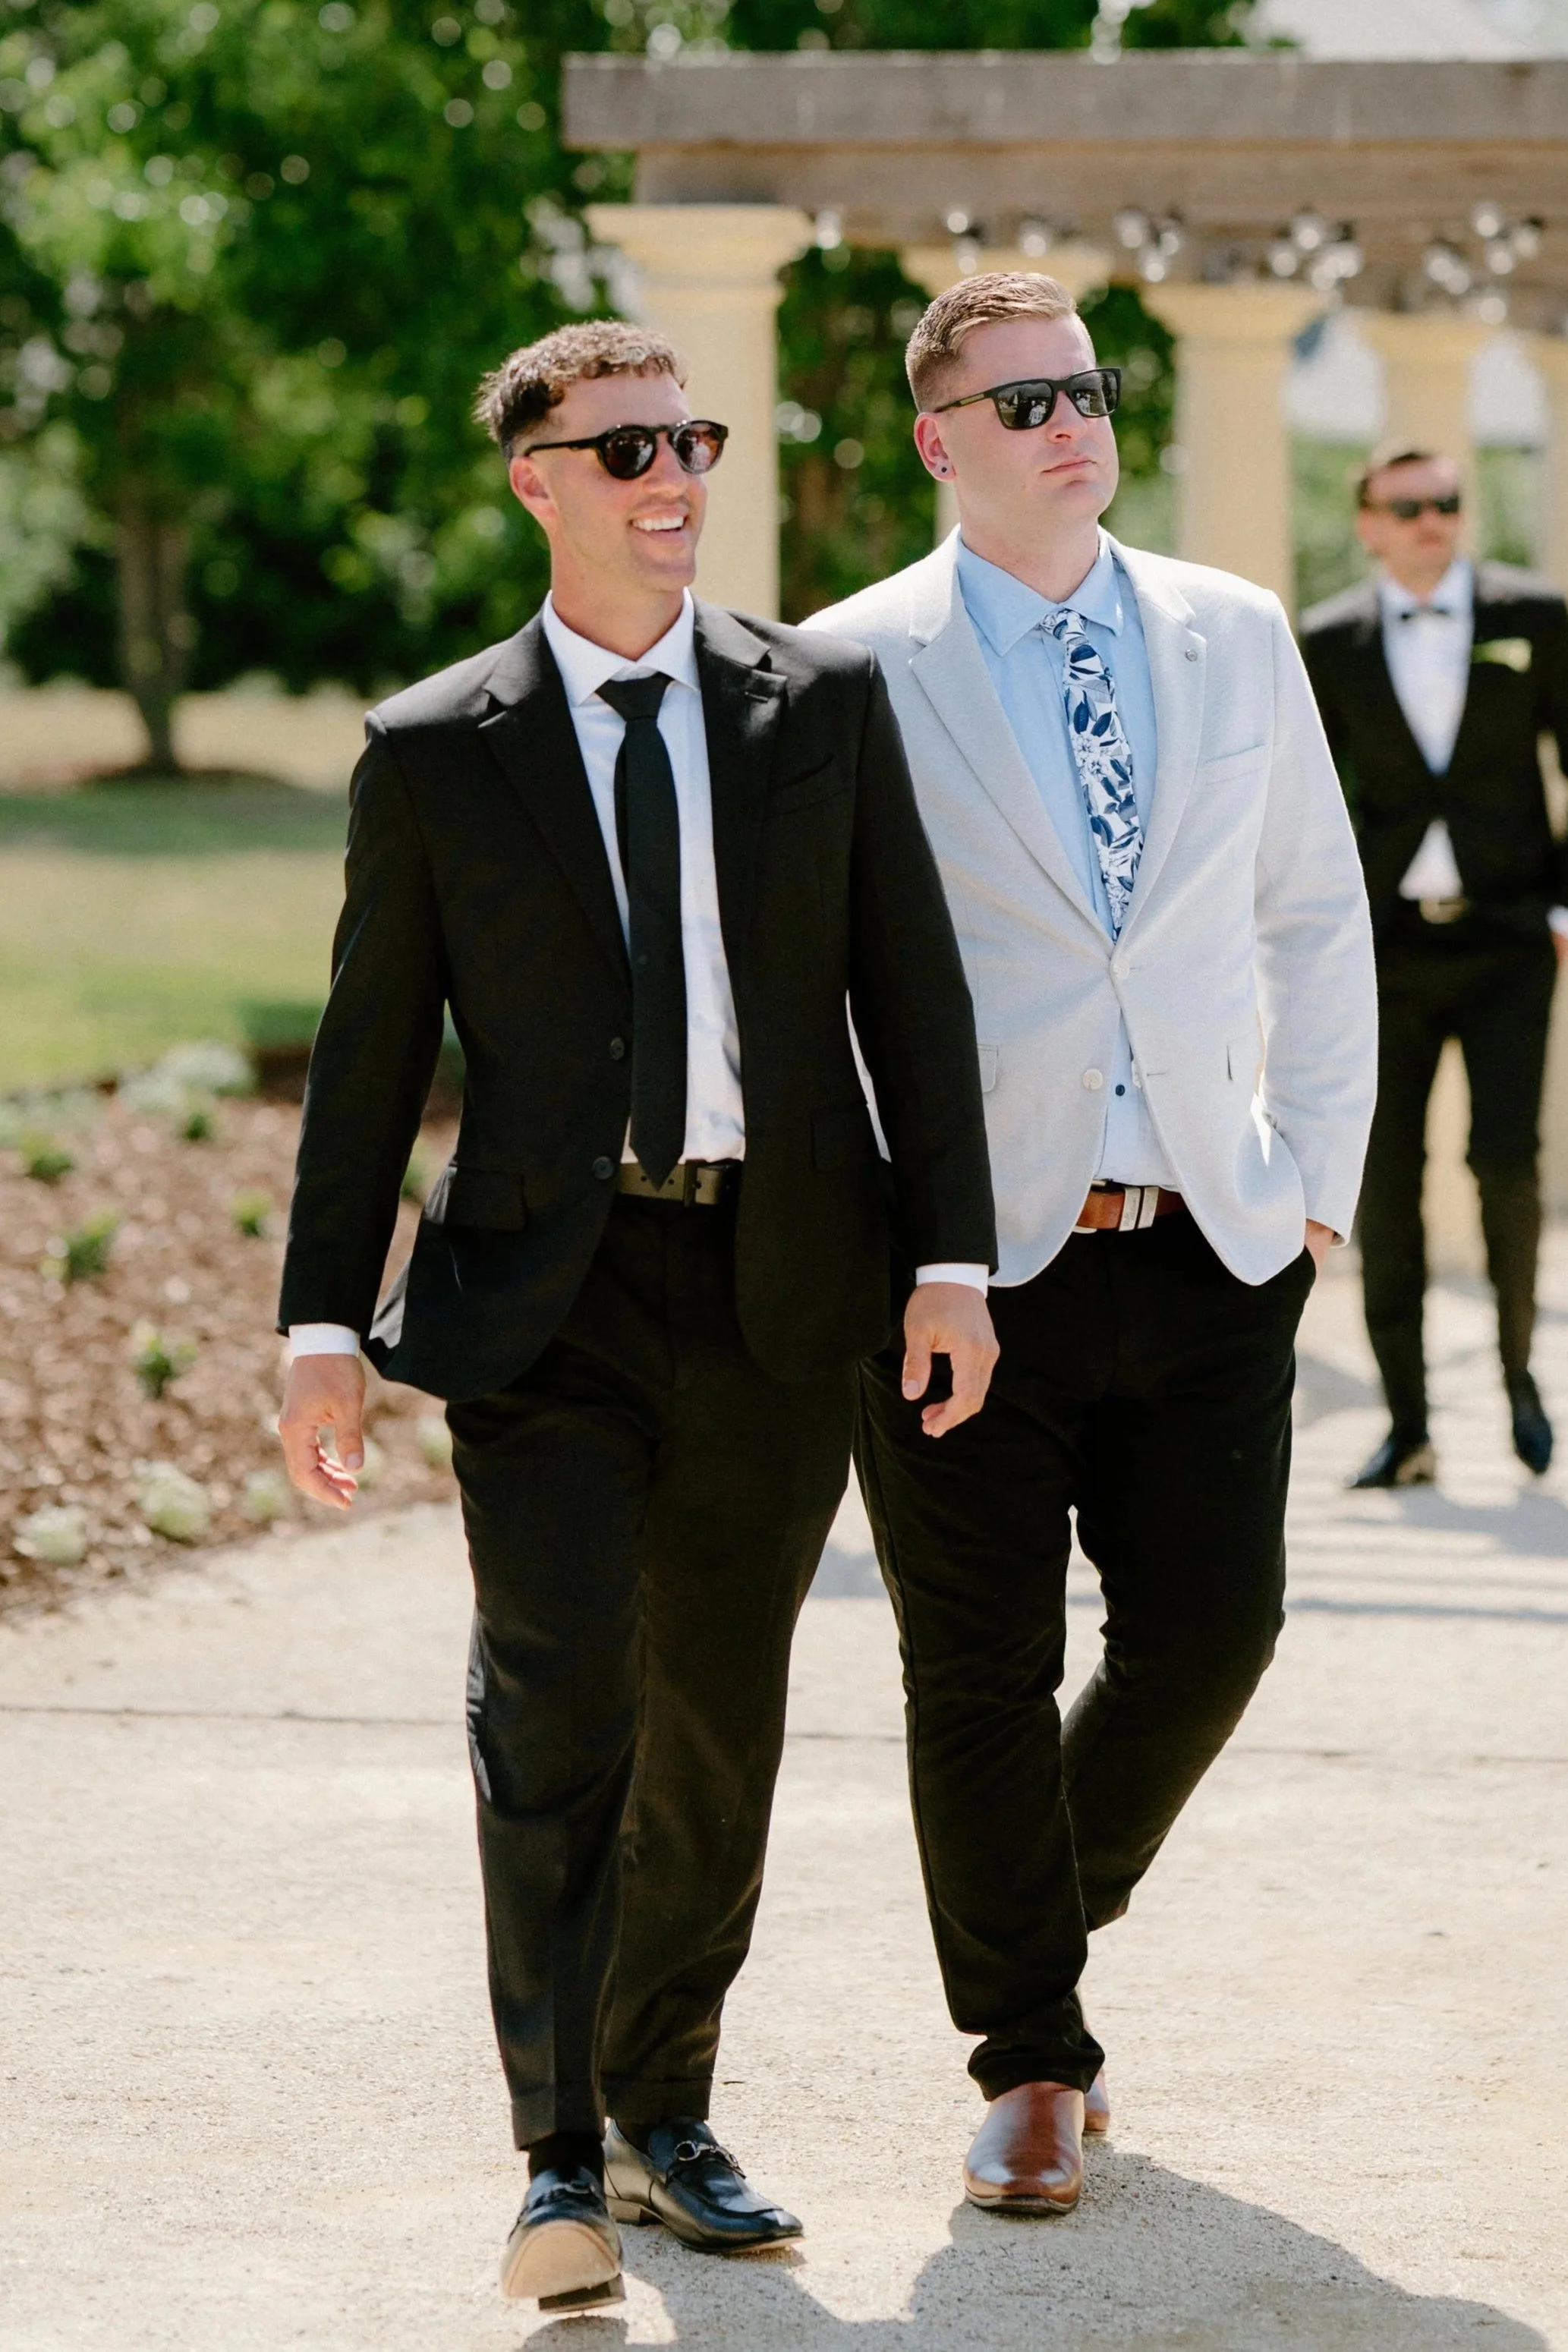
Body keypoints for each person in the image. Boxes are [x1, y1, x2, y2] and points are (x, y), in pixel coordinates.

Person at [273, 320, 997, 2312]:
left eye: (690, 439)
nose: (672, 476)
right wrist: (317, 1319)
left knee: (716, 1724)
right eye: (624, 450)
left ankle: (660, 2101)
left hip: (780, 1285)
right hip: (543, 1295)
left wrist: (949, 1264)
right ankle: (552, 2156)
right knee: (557, 1702)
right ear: (536, 480)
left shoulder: (818, 706)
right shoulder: (434, 749)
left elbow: (907, 999)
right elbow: (365, 1056)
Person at [807, 272, 1376, 2219]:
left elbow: (1315, 908)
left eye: (1086, 385)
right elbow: (813, 996)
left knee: (1215, 1633)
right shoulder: (842, 664)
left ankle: (1029, 1903)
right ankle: (1032, 2059)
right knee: (975, 1667)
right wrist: (899, 1245)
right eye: (1022, 396)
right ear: (937, 439)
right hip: (966, 1269)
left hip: (1211, 1236)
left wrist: (1313, 1180)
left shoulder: (1234, 631)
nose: (1070, 418)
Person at [1302, 442, 1568, 1488]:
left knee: (1505, 1162)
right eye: (1406, 506)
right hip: (1383, 946)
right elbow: (1305, 796)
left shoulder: (1534, 618)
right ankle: (1406, 1422)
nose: (1429, 520)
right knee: (1384, 1180)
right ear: (1365, 521)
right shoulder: (1325, 637)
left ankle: (1515, 1376)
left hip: (1507, 939)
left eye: (1445, 503)